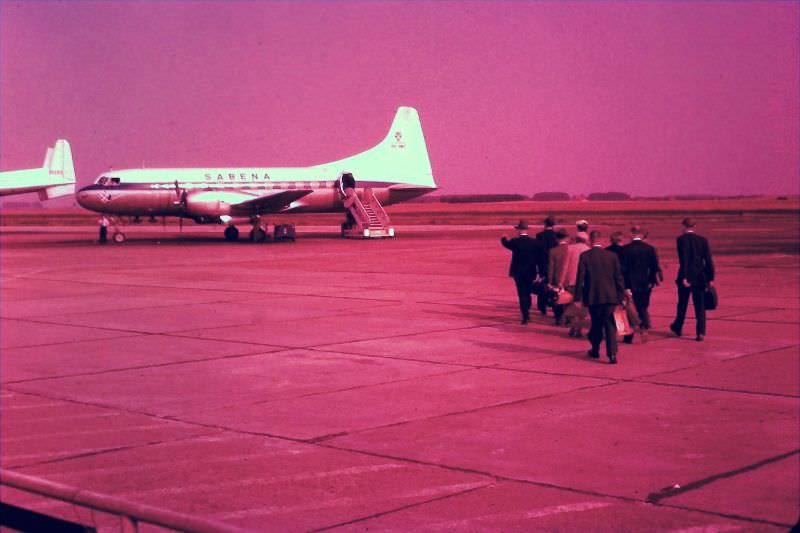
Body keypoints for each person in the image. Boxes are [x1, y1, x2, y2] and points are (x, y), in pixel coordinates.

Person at [575, 230, 626, 364]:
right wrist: (622, 296)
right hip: (610, 296)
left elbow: (580, 278)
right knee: (610, 325)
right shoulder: (612, 256)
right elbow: (618, 278)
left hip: (593, 296)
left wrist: (577, 298)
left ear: (590, 241)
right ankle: (612, 354)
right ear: (602, 241)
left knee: (596, 324)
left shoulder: (585, 256)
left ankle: (596, 349)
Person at [670, 218, 715, 341]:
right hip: (700, 277)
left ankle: (678, 327)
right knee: (700, 306)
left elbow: (683, 260)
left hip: (686, 276)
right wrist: (710, 277)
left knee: (682, 304)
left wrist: (684, 277)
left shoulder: (681, 240)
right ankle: (700, 332)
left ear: (684, 226)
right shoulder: (703, 241)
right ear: (694, 226)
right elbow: (708, 260)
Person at [621, 225, 661, 343]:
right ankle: (644, 329)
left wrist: (625, 286)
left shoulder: (625, 249)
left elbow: (623, 269)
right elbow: (654, 267)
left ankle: (629, 335)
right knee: (643, 307)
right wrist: (652, 281)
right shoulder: (650, 249)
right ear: (642, 235)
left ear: (632, 234)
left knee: (630, 309)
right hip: (645, 283)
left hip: (630, 284)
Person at [501, 220, 546, 324]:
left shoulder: (515, 242)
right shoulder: (534, 243)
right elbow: (540, 259)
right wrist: (541, 272)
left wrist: (503, 238)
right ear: (526, 230)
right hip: (530, 272)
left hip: (518, 272)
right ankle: (527, 309)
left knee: (521, 293)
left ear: (519, 230)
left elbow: (506, 244)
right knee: (528, 291)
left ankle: (525, 314)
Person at [563, 231, 591, 337]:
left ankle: (573, 327)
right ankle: (578, 328)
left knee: (572, 304)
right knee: (582, 306)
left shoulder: (569, 249)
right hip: (584, 282)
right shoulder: (588, 250)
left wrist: (562, 281)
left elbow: (565, 266)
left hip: (571, 281)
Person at [535, 216, 559, 315]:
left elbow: (538, 251)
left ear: (545, 224)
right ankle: (554, 305)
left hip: (543, 264)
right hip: (555, 264)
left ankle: (542, 306)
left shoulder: (540, 235)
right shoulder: (556, 236)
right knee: (554, 286)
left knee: (543, 286)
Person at [547, 228, 570, 325]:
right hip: (569, 278)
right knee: (569, 299)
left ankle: (558, 318)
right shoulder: (570, 249)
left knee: (557, 299)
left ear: (556, 238)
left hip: (557, 278)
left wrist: (549, 281)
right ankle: (568, 319)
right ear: (567, 238)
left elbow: (551, 268)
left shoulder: (553, 251)